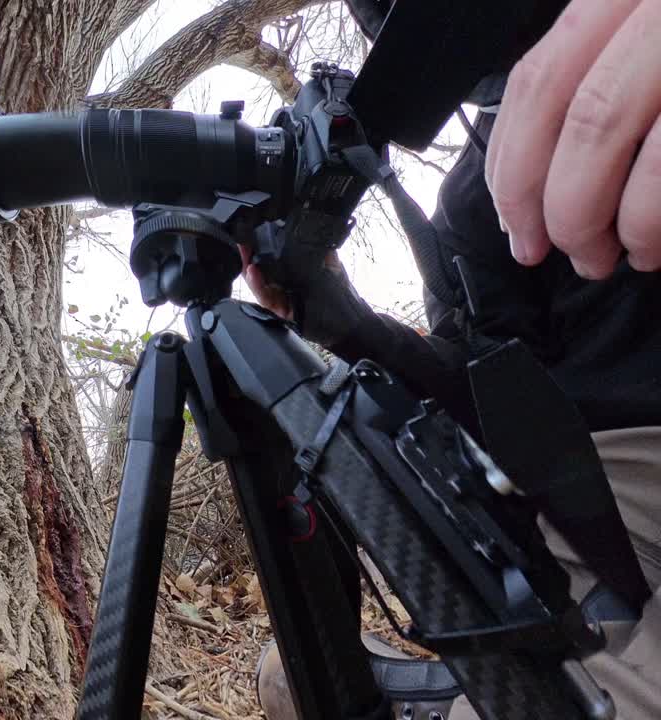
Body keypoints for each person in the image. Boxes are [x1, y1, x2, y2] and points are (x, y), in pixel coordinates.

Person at [248, 0, 661, 717]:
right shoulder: (476, 201)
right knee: (297, 678)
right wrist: (351, 327)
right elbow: (482, 392)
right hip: (594, 505)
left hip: (608, 501)